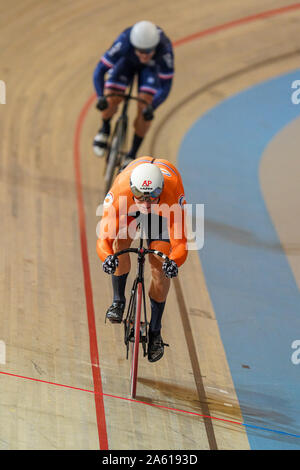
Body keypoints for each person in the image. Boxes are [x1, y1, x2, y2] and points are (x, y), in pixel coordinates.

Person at [97, 156, 188, 362]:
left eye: (152, 196)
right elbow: (103, 239)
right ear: (131, 189)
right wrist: (108, 257)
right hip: (129, 209)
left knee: (160, 266)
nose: (146, 203)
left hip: (162, 213)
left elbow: (180, 243)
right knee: (119, 244)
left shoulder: (172, 193)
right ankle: (118, 301)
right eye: (140, 196)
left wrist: (174, 262)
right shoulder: (121, 190)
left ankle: (155, 330)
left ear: (161, 190)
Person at [93, 21, 174, 166]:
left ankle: (132, 154)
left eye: (148, 52)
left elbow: (166, 85)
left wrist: (152, 107)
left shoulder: (164, 49)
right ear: (133, 46)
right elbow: (99, 71)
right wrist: (101, 97)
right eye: (141, 51)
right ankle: (104, 129)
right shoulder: (124, 42)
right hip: (126, 62)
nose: (144, 56)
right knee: (111, 98)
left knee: (145, 109)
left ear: (155, 47)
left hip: (151, 68)